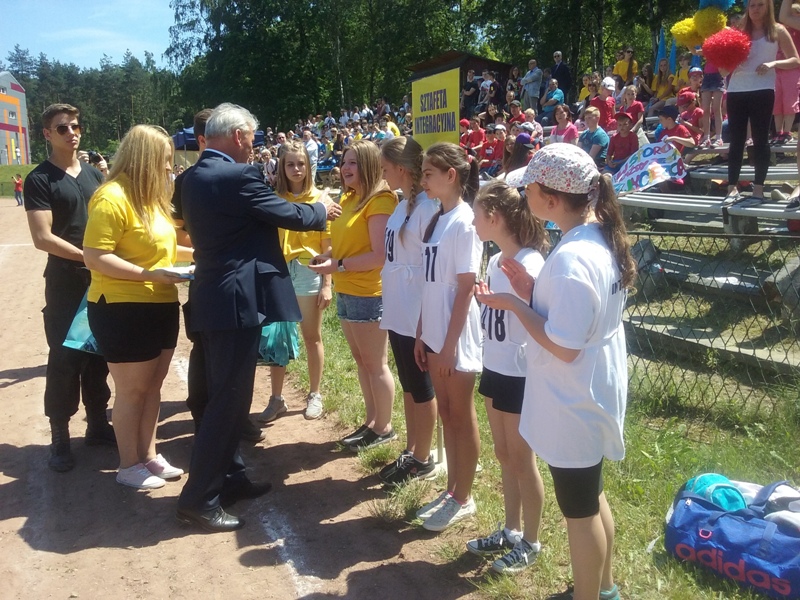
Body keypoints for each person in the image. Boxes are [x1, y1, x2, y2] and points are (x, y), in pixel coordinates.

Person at [476, 143, 634, 600]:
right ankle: (604, 588)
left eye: (528, 189)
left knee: (579, 513)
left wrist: (514, 304)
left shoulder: (570, 258)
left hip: (574, 397)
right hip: (593, 387)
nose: (523, 196)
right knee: (590, 495)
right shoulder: (597, 238)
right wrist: (533, 291)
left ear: (550, 198)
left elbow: (562, 346)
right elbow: (574, 313)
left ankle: (591, 594)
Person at [178, 103, 340, 532]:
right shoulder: (238, 176)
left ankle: (230, 477)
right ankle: (198, 499)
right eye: (252, 137)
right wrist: (322, 208)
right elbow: (287, 214)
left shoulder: (191, 176)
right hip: (235, 303)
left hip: (211, 296)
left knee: (223, 396)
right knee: (228, 402)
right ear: (237, 136)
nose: (254, 145)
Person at [83, 125, 192, 489]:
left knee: (153, 386)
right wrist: (148, 274)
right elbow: (95, 256)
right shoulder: (111, 197)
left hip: (160, 302)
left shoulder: (151, 199)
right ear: (144, 158)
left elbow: (165, 249)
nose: (169, 167)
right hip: (121, 307)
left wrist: (206, 255)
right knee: (132, 390)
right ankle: (128, 464)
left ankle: (149, 454)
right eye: (164, 159)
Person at [24, 103, 113, 472]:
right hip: (65, 281)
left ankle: (98, 424)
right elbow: (42, 237)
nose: (71, 133)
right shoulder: (40, 179)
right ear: (47, 134)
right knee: (64, 358)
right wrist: (88, 257)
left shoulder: (94, 175)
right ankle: (60, 435)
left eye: (75, 126)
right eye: (62, 128)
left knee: (100, 354)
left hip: (100, 278)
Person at [467, 180, 547, 574]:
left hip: (520, 372)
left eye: (477, 216)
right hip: (495, 365)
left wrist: (514, 299)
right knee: (503, 453)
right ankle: (511, 530)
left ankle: (532, 540)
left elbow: (544, 318)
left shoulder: (530, 262)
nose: (473, 223)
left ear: (495, 218)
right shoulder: (497, 260)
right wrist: (488, 301)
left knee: (521, 458)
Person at [308, 140, 398, 451]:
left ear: (369, 166)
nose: (344, 168)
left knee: (375, 363)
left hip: (369, 292)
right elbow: (348, 243)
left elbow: (378, 255)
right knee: (362, 361)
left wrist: (338, 265)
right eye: (344, 161)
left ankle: (384, 427)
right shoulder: (349, 198)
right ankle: (372, 422)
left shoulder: (380, 200)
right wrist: (329, 257)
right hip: (347, 288)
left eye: (353, 163)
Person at [413, 143, 482, 533]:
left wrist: (450, 346)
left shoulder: (466, 222)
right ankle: (453, 489)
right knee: (447, 414)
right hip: (436, 333)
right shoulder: (438, 219)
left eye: (428, 173)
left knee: (460, 413)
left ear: (450, 175)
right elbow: (429, 284)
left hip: (456, 335)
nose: (422, 180)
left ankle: (464, 496)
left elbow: (465, 288)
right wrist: (422, 333)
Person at [377, 137, 440, 486]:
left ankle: (423, 458)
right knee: (408, 384)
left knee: (421, 386)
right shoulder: (403, 205)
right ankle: (412, 448)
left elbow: (430, 270)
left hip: (415, 310)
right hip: (398, 307)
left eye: (386, 168)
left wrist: (422, 322)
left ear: (401, 169)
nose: (383, 175)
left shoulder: (429, 208)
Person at [259, 139, 332, 424]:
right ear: (281, 167)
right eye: (290, 164)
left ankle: (315, 394)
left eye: (301, 163)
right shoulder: (274, 198)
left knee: (311, 336)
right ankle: (276, 398)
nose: (296, 169)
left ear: (309, 166)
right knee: (277, 336)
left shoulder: (320, 200)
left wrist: (327, 284)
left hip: (308, 271)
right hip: (279, 271)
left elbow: (327, 246)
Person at [725, 0, 800, 204]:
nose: (756, 9)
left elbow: (795, 59)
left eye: (760, 5)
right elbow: (723, 68)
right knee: (736, 141)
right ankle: (731, 188)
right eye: (752, 5)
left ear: (768, 7)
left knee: (760, 140)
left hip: (763, 89)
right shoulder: (738, 31)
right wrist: (729, 61)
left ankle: (758, 190)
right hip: (736, 90)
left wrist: (773, 63)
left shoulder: (777, 30)